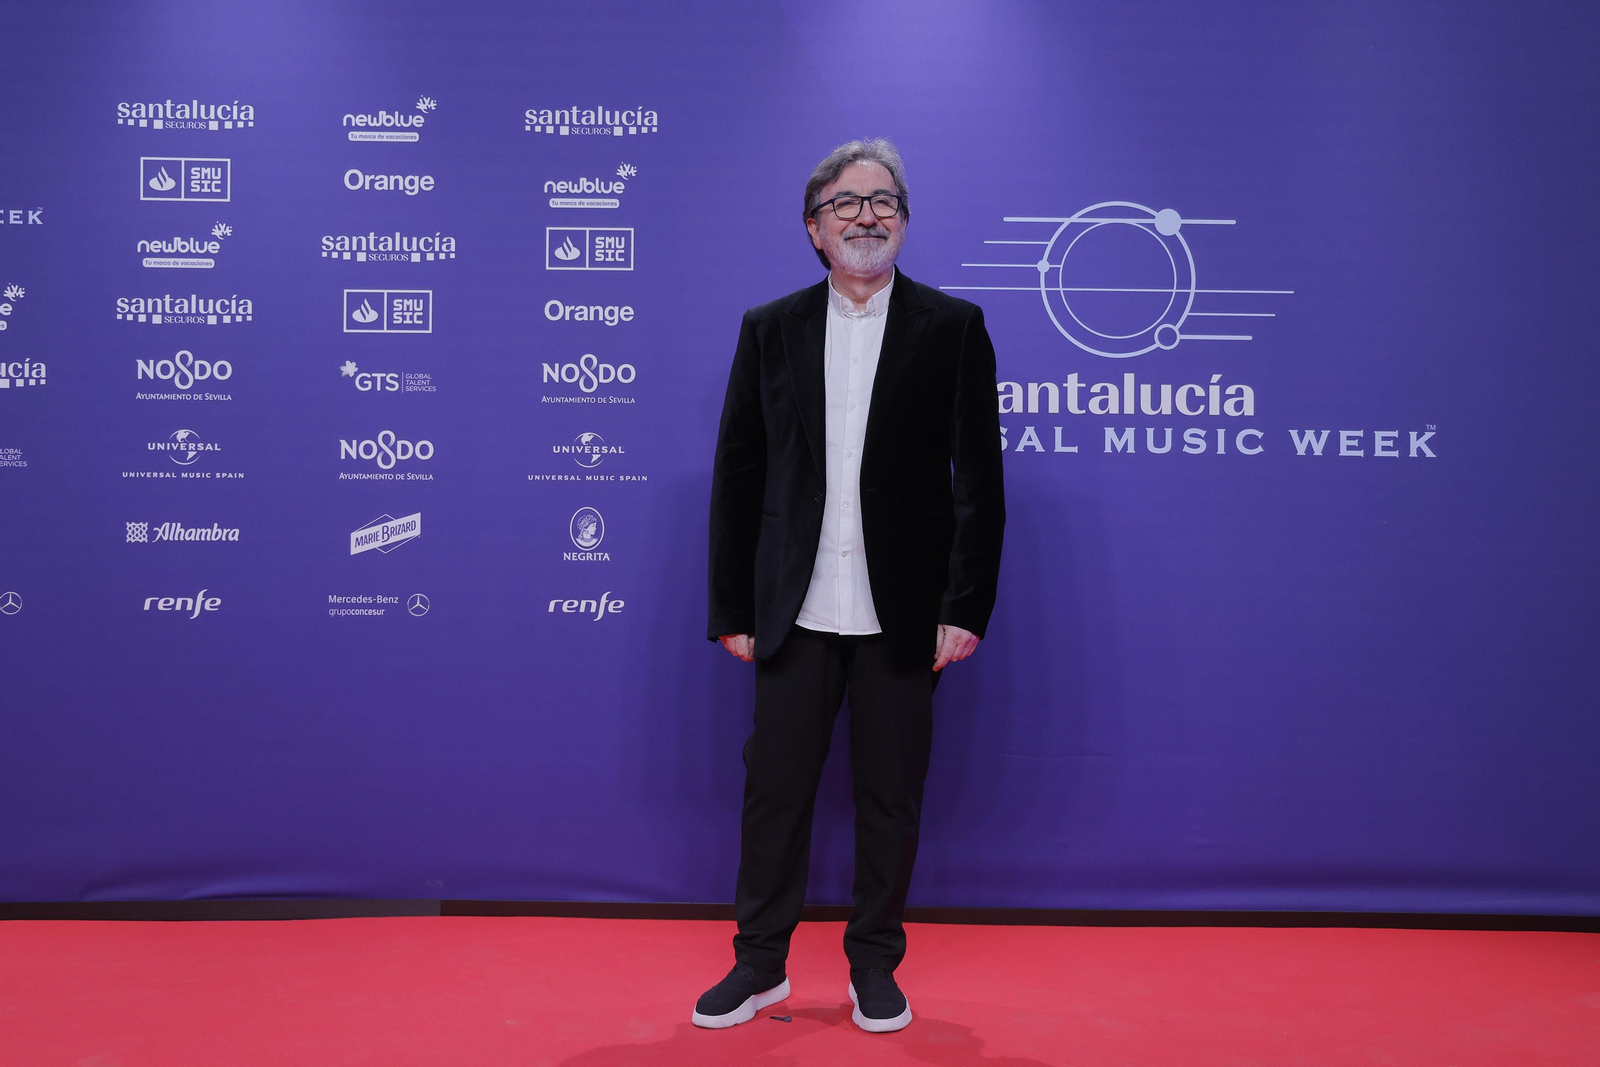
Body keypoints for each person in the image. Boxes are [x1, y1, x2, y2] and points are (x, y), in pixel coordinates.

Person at [696, 139, 1005, 1034]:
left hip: (904, 617)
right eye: (847, 203)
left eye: (884, 201)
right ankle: (759, 966)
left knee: (890, 795)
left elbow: (977, 483)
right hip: (793, 610)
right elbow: (739, 475)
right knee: (776, 792)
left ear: (903, 223)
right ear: (815, 229)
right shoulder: (770, 326)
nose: (867, 214)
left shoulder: (952, 327)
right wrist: (731, 608)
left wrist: (963, 608)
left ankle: (875, 963)